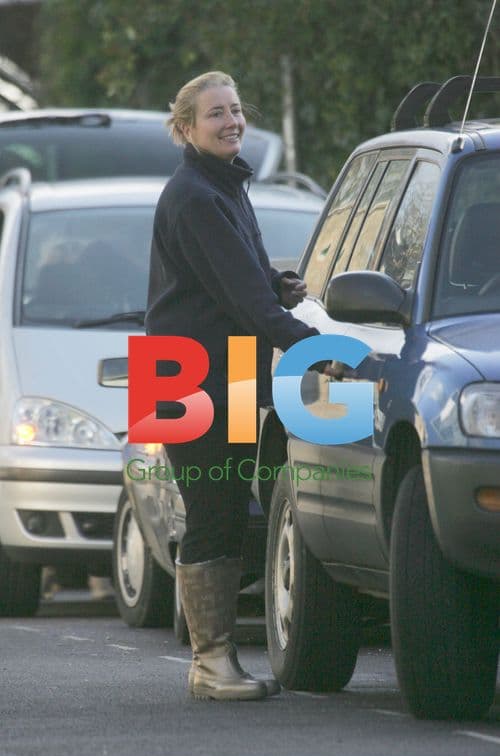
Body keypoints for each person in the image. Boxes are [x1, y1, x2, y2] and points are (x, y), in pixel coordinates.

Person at [146, 71, 325, 701]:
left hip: (229, 373)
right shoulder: (196, 195)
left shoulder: (222, 185)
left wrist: (277, 286)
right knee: (213, 515)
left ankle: (217, 662)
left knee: (225, 515)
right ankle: (210, 664)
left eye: (236, 110)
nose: (232, 122)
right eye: (216, 114)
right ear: (186, 128)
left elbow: (235, 280)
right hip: (186, 376)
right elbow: (244, 301)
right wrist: (315, 348)